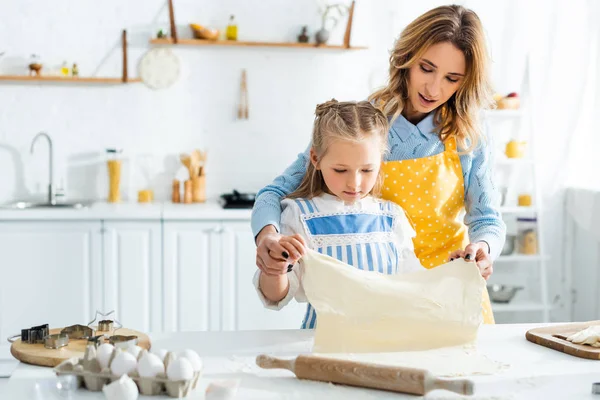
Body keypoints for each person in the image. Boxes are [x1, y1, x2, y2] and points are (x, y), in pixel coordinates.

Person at [251, 5, 506, 324]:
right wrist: (268, 239)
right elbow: (273, 193)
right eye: (426, 68)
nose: (433, 88)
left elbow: (488, 219)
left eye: (452, 78)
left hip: (451, 299)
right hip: (379, 307)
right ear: (407, 58)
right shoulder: (365, 125)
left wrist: (482, 249)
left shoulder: (470, 133)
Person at [253, 100, 424, 329]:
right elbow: (275, 296)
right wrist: (275, 269)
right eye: (340, 170)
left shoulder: (392, 217)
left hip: (384, 344)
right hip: (321, 343)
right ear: (316, 159)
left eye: (367, 170)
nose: (354, 183)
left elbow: (413, 286)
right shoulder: (301, 215)